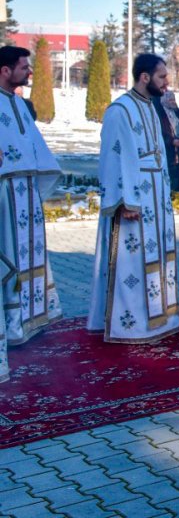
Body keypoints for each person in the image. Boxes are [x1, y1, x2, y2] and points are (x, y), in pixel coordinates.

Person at [88, 53, 179, 343]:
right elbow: (114, 157)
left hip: (157, 199)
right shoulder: (120, 110)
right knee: (132, 261)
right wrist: (125, 199)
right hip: (135, 200)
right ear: (144, 77)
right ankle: (131, 325)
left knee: (157, 256)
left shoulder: (151, 108)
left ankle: (159, 318)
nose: (167, 82)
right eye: (162, 76)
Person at [0, 46, 63, 382]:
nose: (29, 72)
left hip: (26, 192)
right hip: (5, 195)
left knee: (31, 254)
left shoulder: (20, 106)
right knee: (10, 258)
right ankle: (10, 325)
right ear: (5, 70)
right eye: (24, 67)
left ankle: (31, 319)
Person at [157, 91, 179, 193]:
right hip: (167, 148)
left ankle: (176, 194)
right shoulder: (159, 115)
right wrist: (171, 141)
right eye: (170, 100)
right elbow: (159, 132)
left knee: (178, 173)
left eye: (173, 99)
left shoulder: (178, 113)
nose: (172, 102)